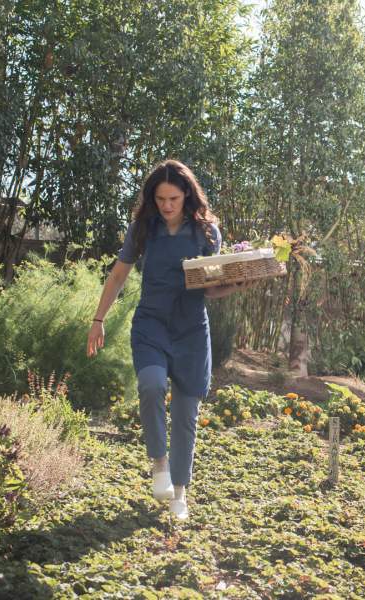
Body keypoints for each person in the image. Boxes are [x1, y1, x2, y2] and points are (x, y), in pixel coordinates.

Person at [86, 159, 252, 520]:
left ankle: (180, 494)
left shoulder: (207, 233)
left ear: (187, 195)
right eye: (160, 198)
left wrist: (236, 283)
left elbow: (209, 290)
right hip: (152, 324)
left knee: (185, 414)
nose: (166, 205)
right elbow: (117, 276)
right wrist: (98, 319)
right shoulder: (143, 229)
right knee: (150, 384)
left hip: (191, 328)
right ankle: (158, 464)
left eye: (173, 198)